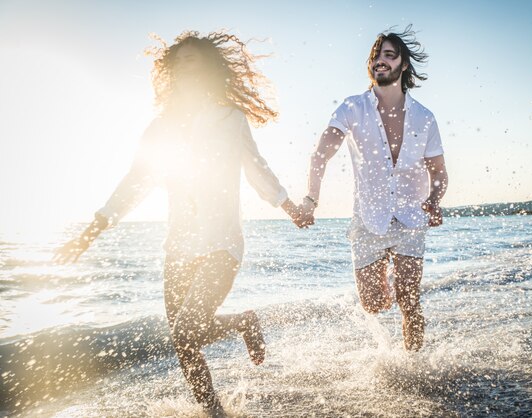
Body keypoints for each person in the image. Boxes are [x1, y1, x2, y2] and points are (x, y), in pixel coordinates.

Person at [54, 31, 304, 414]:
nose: (185, 67)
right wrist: (91, 232)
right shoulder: (160, 128)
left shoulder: (229, 118)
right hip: (178, 246)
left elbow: (258, 170)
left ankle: (235, 349)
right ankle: (214, 406)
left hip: (222, 241)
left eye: (193, 60)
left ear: (208, 68)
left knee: (187, 331)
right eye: (179, 61)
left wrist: (289, 207)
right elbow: (135, 182)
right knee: (183, 340)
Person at [297, 26, 448, 351]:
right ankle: (394, 280)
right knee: (373, 303)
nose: (381, 61)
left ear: (403, 65)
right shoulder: (353, 108)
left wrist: (435, 200)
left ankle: (414, 368)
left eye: (389, 55)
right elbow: (321, 153)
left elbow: (439, 172)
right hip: (368, 219)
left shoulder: (424, 118)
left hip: (410, 218)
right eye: (376, 56)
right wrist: (311, 199)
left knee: (410, 302)